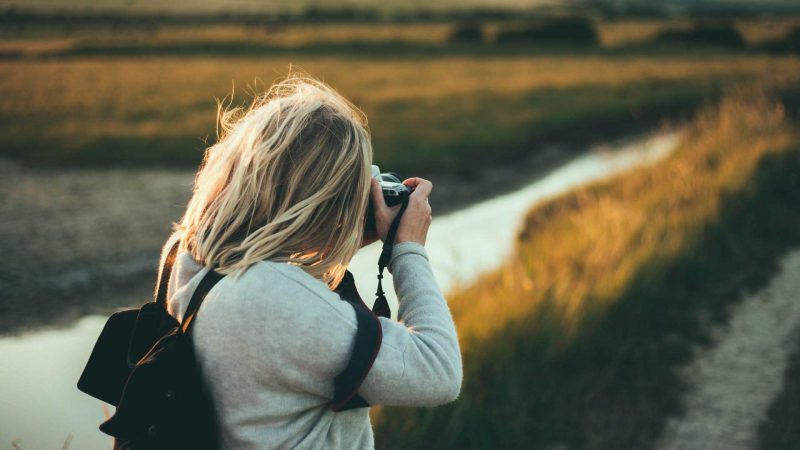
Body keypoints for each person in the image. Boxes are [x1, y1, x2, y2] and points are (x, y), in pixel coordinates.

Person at [158, 72, 462, 449]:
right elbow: (439, 371)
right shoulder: (273, 299)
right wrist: (407, 249)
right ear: (321, 196)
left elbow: (283, 354)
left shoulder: (191, 261)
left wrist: (338, 237)